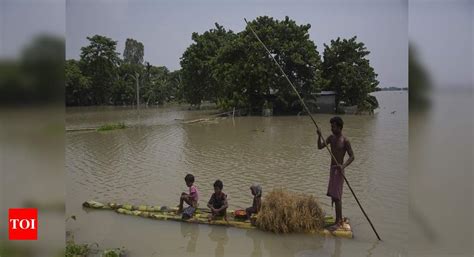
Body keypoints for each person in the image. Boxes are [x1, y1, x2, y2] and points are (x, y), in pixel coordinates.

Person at [317, 116, 354, 229]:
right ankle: (338, 218)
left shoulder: (345, 140)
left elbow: (352, 156)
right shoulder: (331, 138)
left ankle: (339, 221)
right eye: (331, 126)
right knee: (333, 195)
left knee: (337, 196)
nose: (332, 128)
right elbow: (320, 147)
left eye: (333, 127)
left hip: (339, 170)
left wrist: (343, 166)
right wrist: (319, 136)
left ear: (339, 127)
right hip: (332, 169)